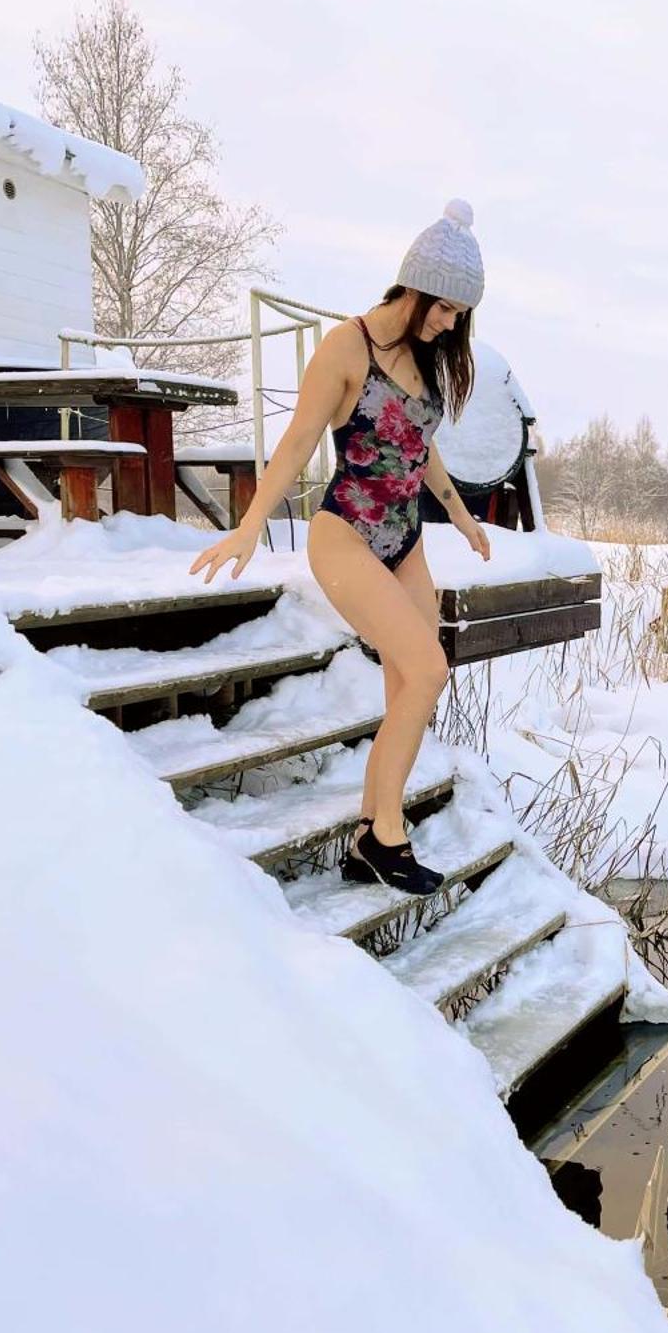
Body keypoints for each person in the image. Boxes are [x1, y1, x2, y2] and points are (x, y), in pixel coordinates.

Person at [189, 199, 493, 896]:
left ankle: (367, 837)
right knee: (429, 670)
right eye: (445, 309)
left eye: (458, 316)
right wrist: (249, 524)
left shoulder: (424, 356)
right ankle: (389, 837)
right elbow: (298, 442)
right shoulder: (345, 348)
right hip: (346, 535)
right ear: (414, 288)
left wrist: (460, 516)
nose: (450, 325)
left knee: (409, 688)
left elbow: (421, 447)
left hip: (405, 536)